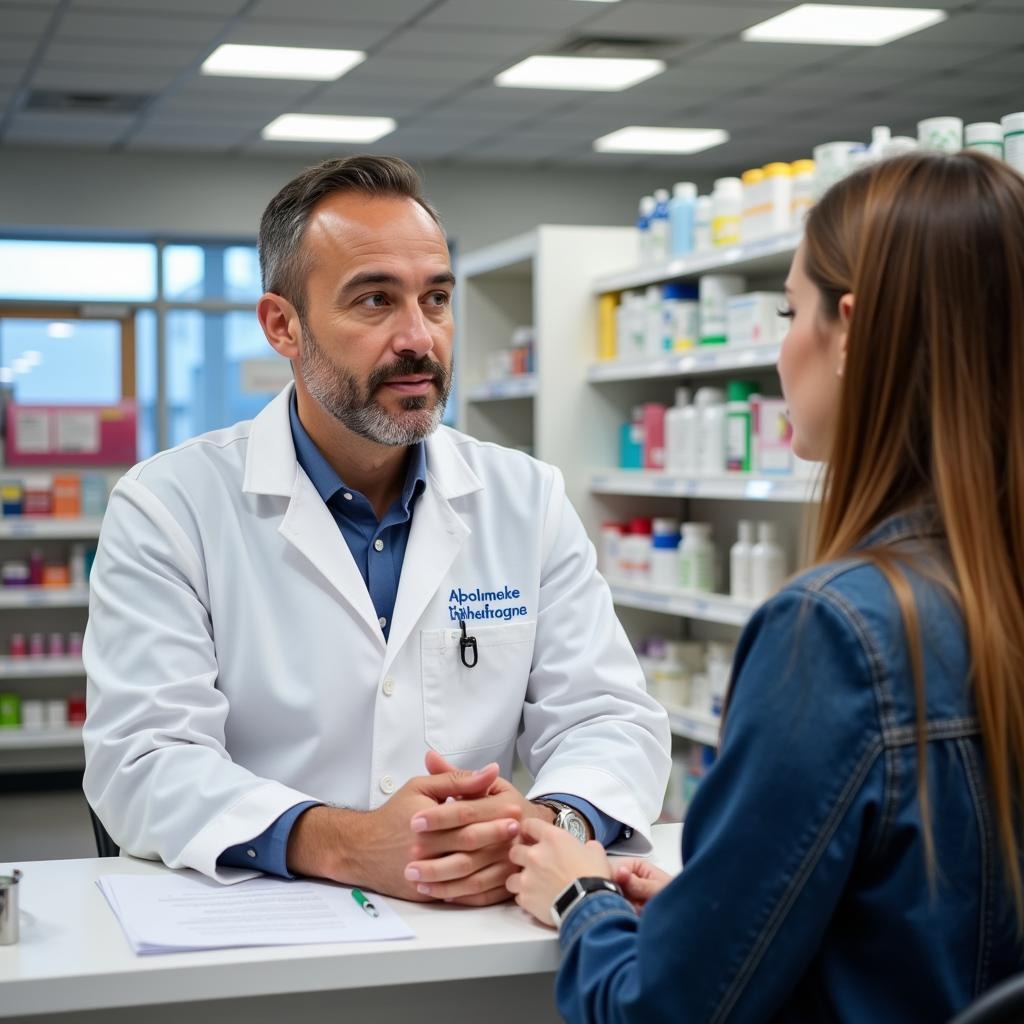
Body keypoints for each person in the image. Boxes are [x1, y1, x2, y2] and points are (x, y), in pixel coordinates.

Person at [508, 150, 1024, 1021]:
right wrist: (711, 910)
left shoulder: (840, 633)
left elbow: (662, 1013)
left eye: (791, 310)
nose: (783, 347)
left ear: (850, 328)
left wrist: (578, 896)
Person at [82, 155, 670, 904]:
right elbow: (143, 759)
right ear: (282, 325)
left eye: (436, 298)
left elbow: (610, 718)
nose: (419, 337)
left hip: (473, 925)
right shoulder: (169, 505)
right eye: (374, 301)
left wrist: (547, 825)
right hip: (256, 928)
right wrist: (350, 845)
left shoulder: (527, 497)